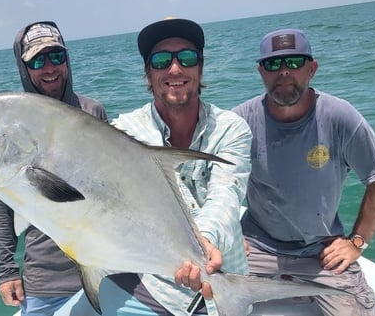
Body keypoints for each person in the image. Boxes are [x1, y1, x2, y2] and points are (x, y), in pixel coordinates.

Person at [56, 18, 252, 316]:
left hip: (223, 280)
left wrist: (204, 244)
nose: (175, 69)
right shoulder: (123, 133)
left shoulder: (232, 129)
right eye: (161, 60)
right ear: (148, 74)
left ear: (200, 68)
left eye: (186, 58)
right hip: (152, 284)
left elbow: (226, 195)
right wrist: (7, 183)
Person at [233, 28, 375, 316]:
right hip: (254, 248)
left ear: (312, 68)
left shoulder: (340, 117)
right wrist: (228, 232)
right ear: (260, 72)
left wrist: (357, 242)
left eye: (293, 62)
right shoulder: (238, 123)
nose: (283, 71)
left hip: (320, 252)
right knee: (195, 300)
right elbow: (202, 181)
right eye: (273, 64)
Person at [0, 20, 107, 316]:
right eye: (38, 60)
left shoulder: (92, 112)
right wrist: (6, 270)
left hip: (104, 263)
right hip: (46, 278)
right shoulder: (8, 124)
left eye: (57, 57)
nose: (49, 68)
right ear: (23, 67)